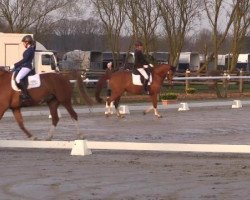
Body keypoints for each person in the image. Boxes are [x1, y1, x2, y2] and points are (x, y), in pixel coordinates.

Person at [13, 35, 35, 103]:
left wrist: (15, 65)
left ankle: (26, 95)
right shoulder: (29, 49)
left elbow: (25, 60)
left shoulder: (30, 49)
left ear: (27, 42)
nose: (23, 44)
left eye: (23, 43)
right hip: (24, 66)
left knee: (18, 79)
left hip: (27, 67)